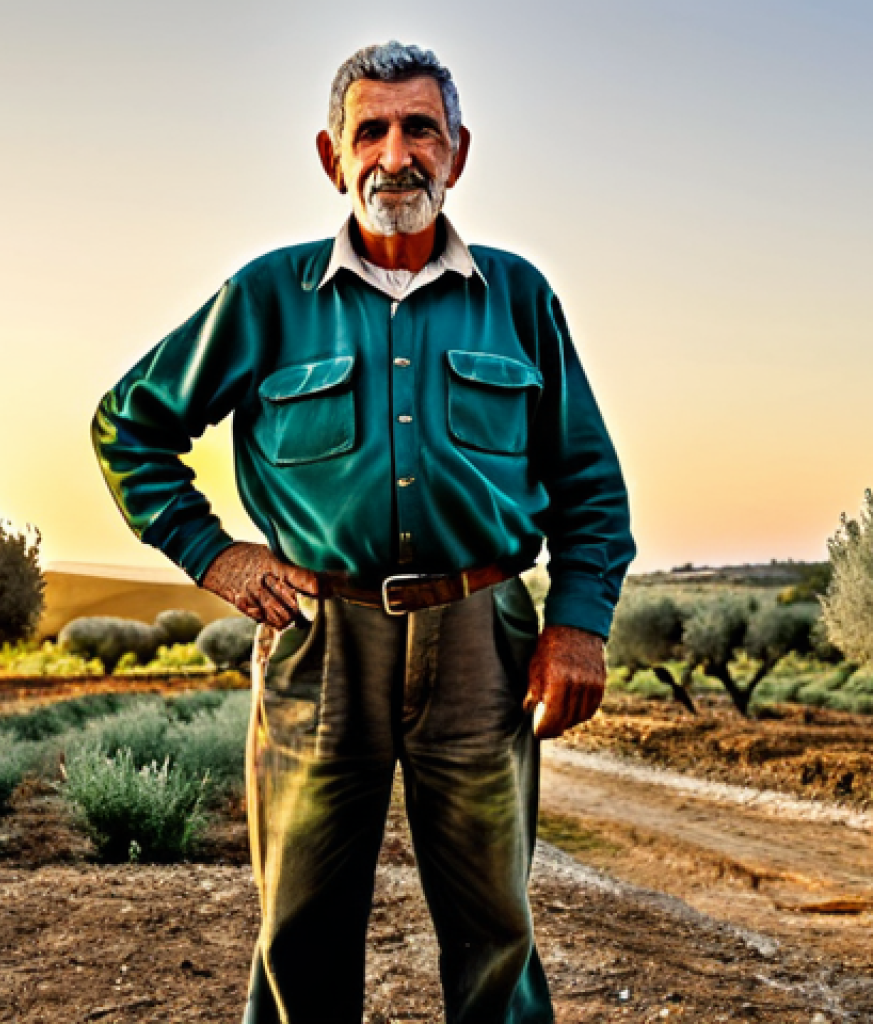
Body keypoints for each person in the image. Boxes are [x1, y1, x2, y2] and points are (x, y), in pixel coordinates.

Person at [93, 40, 634, 1024]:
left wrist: (578, 623)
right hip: (317, 638)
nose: (396, 153)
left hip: (482, 636)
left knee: (494, 928)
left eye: (419, 128)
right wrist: (213, 552)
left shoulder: (517, 297)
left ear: (457, 151)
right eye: (370, 130)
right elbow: (130, 423)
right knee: (299, 923)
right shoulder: (268, 294)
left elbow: (589, 482)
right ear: (330, 155)